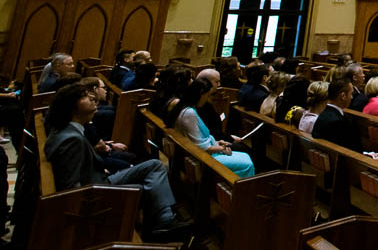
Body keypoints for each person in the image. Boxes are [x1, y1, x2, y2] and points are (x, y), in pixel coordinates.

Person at [45, 83, 191, 240]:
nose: (94, 99)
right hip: (96, 193)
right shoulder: (71, 139)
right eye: (86, 97)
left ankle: (164, 221)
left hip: (99, 179)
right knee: (147, 189)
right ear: (72, 106)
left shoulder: (68, 130)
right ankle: (161, 227)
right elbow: (72, 189)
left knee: (154, 165)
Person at [169, 78, 255, 178]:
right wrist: (221, 148)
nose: (208, 99)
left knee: (245, 157)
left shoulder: (187, 108)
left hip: (199, 154)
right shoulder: (189, 113)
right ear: (201, 93)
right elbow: (201, 147)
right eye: (208, 95)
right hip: (202, 159)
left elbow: (199, 140)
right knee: (247, 163)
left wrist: (218, 143)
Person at [312, 79, 363, 153]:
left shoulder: (323, 114)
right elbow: (351, 151)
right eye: (351, 94)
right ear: (343, 96)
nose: (352, 97)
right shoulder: (338, 122)